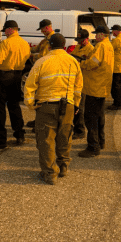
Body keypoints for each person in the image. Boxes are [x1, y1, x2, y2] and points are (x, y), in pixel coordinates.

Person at [24, 33, 83, 185]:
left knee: (46, 139)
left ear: (49, 46)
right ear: (64, 46)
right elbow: (78, 86)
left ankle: (50, 173)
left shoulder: (42, 61)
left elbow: (30, 85)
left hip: (46, 106)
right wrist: (75, 104)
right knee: (65, 136)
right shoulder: (73, 61)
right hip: (68, 105)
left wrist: (31, 104)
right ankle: (63, 167)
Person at [0, 20, 31, 149]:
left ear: (10, 30)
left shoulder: (6, 43)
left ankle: (0, 139)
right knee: (14, 106)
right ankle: (19, 135)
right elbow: (27, 57)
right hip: (17, 76)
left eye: (5, 30)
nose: (5, 32)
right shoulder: (24, 43)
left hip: (4, 76)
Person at [78, 26, 114, 158]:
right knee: (99, 116)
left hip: (95, 86)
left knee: (91, 117)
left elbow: (94, 62)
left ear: (102, 35)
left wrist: (82, 64)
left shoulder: (100, 46)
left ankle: (93, 147)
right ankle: (100, 141)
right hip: (102, 86)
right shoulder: (108, 45)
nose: (95, 36)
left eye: (96, 34)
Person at [26, 18, 55, 129]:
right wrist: (25, 48)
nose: (42, 31)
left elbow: (44, 56)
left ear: (47, 27)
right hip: (42, 72)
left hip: (47, 72)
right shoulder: (45, 40)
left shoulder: (51, 40)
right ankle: (38, 120)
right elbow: (36, 49)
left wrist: (32, 56)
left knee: (44, 99)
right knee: (39, 98)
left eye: (42, 29)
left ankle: (41, 123)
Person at [70, 30, 95, 140]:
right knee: (74, 105)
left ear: (87, 39)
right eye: (78, 40)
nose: (79, 42)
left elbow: (91, 66)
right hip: (75, 79)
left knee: (79, 107)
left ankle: (80, 130)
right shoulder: (78, 47)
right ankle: (75, 127)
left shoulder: (91, 50)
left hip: (83, 81)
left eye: (81, 40)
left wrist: (80, 63)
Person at [107, 24, 121, 110]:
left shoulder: (117, 40)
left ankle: (118, 103)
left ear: (117, 31)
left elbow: (109, 49)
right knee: (118, 85)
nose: (112, 32)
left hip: (117, 67)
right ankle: (118, 102)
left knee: (116, 86)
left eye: (113, 30)